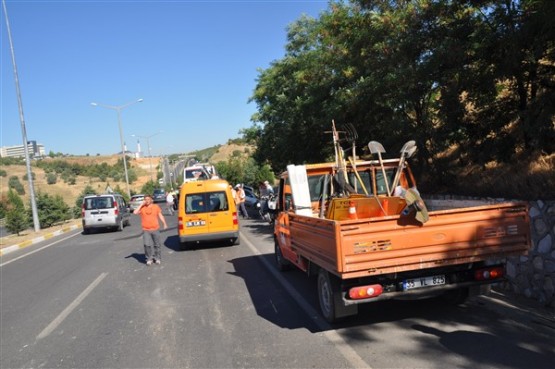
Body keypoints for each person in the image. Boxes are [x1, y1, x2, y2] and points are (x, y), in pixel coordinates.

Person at [134, 194, 168, 266]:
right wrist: (141, 205)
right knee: (146, 245)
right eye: (145, 199)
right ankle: (149, 259)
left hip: (155, 228)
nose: (147, 201)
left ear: (151, 200)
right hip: (146, 229)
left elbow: (160, 215)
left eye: (148, 199)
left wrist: (164, 223)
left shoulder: (156, 207)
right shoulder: (142, 208)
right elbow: (135, 212)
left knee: (157, 244)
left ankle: (157, 258)